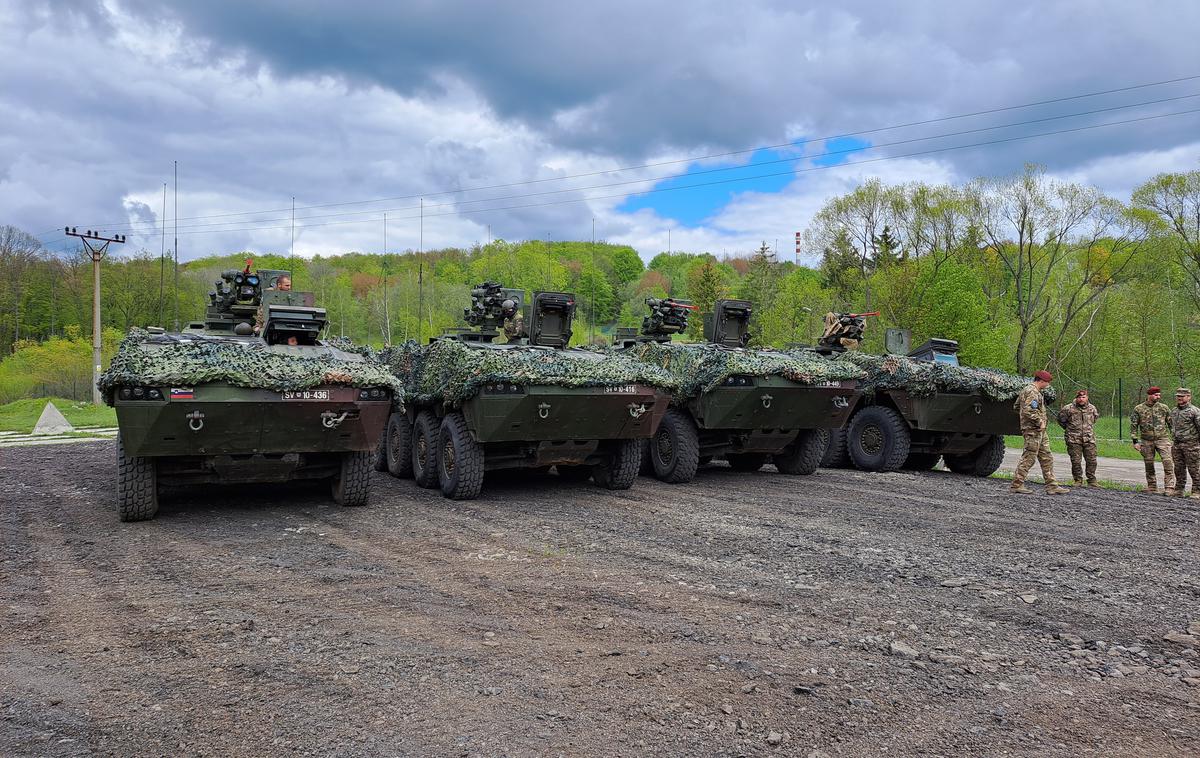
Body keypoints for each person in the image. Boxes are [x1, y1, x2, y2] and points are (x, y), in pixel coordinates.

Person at [1011, 369, 1070, 495]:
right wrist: (1039, 421)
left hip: (1039, 431)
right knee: (1029, 457)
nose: (1048, 385)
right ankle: (1017, 484)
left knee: (1046, 457)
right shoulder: (1032, 392)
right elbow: (1028, 410)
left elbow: (1016, 407)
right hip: (1033, 430)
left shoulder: (1029, 391)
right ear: (1041, 381)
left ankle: (1052, 485)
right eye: (1047, 382)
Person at [1130, 386, 1175, 494]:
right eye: (1156, 395)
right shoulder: (1139, 409)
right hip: (1146, 440)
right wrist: (1135, 441)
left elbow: (1171, 424)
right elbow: (1134, 426)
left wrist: (1174, 439)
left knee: (1168, 462)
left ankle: (1169, 487)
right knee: (1149, 463)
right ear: (1149, 395)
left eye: (1159, 395)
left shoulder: (1164, 408)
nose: (1158, 397)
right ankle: (1152, 486)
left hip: (1162, 439)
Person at [1057, 389, 1099, 487]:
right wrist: (1070, 430)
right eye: (1079, 397)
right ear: (1076, 398)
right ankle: (1078, 480)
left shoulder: (1092, 408)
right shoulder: (1068, 408)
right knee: (1076, 461)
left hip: (1089, 439)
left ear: (1087, 397)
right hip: (1073, 439)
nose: (1081, 399)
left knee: (1092, 460)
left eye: (1083, 397)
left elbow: (1094, 419)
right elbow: (1061, 420)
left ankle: (1092, 481)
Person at [1169, 388, 1200, 500]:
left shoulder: (1194, 411)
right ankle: (1179, 490)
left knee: (1194, 469)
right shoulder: (1174, 411)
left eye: (1182, 396)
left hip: (1191, 445)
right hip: (1177, 444)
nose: (1179, 398)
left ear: (1189, 397)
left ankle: (1196, 491)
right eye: (1178, 396)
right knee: (1178, 468)